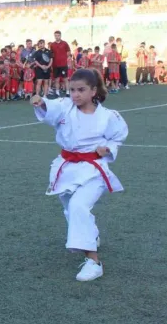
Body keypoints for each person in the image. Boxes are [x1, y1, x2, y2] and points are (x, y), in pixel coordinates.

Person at [31, 68, 128, 282]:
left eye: (81, 90)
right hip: (66, 169)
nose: (75, 95)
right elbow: (52, 108)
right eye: (72, 90)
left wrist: (109, 148)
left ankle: (94, 261)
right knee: (69, 209)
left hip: (94, 170)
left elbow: (118, 136)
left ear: (93, 91)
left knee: (78, 207)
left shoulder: (108, 116)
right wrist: (42, 102)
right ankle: (90, 234)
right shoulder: (65, 108)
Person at [50, 31, 71, 97]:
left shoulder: (64, 43)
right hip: (55, 65)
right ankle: (57, 92)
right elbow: (51, 54)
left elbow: (68, 52)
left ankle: (67, 92)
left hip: (63, 65)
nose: (57, 37)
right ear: (54, 36)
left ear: (60, 36)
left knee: (65, 79)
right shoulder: (52, 44)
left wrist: (64, 58)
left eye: (58, 35)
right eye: (56, 35)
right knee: (57, 79)